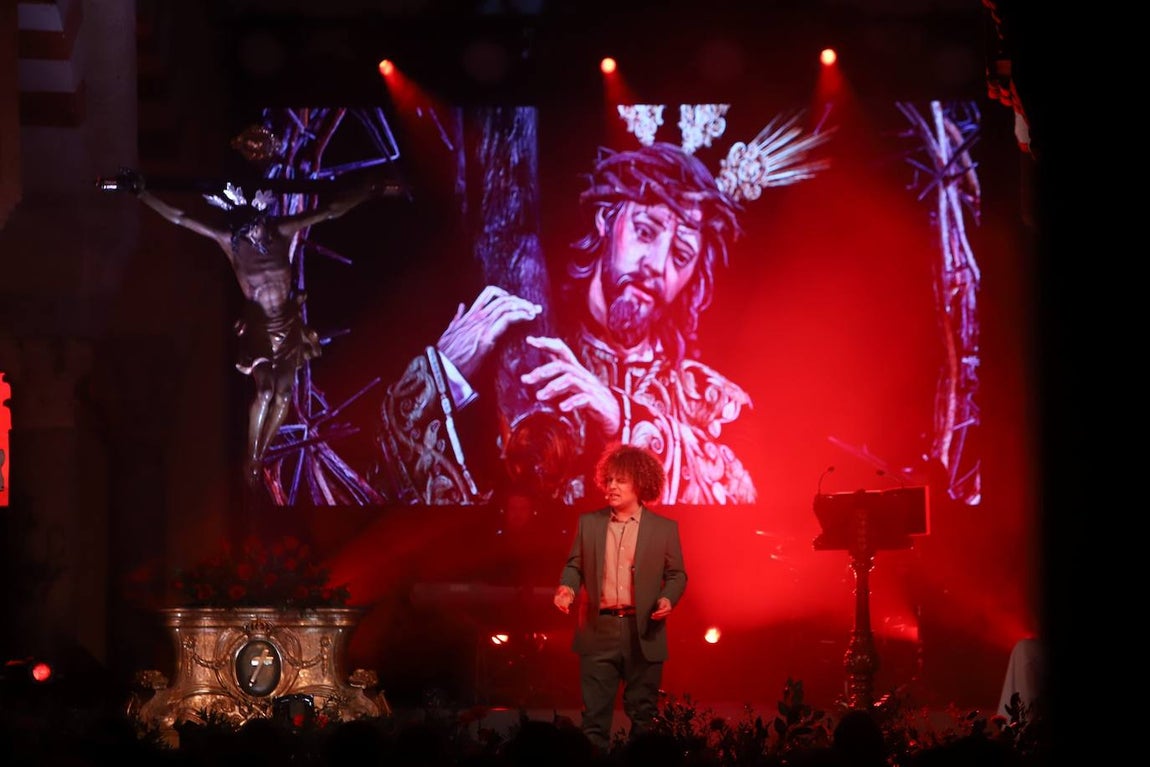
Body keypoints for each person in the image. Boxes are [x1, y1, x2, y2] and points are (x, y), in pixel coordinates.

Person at [375, 140, 759, 506]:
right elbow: (399, 502)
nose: (656, 266)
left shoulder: (713, 401)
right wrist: (439, 376)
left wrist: (623, 418)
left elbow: (747, 499)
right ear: (606, 219)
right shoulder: (510, 356)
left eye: (680, 255)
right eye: (645, 232)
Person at [103, 168, 386, 484]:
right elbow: (181, 218)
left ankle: (259, 456)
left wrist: (366, 193)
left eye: (261, 224)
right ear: (242, 228)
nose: (260, 231)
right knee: (265, 391)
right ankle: (251, 458)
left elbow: (328, 212)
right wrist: (143, 194)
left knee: (283, 395)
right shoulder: (232, 244)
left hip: (288, 325)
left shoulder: (281, 231)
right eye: (253, 228)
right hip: (259, 329)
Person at [552, 443, 687, 753]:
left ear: (639, 483)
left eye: (620, 480)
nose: (611, 486)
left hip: (644, 632)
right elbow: (574, 565)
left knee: (645, 719)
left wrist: (667, 599)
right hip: (598, 630)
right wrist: (567, 589)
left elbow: (677, 574)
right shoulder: (590, 523)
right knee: (594, 723)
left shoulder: (664, 529)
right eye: (609, 480)